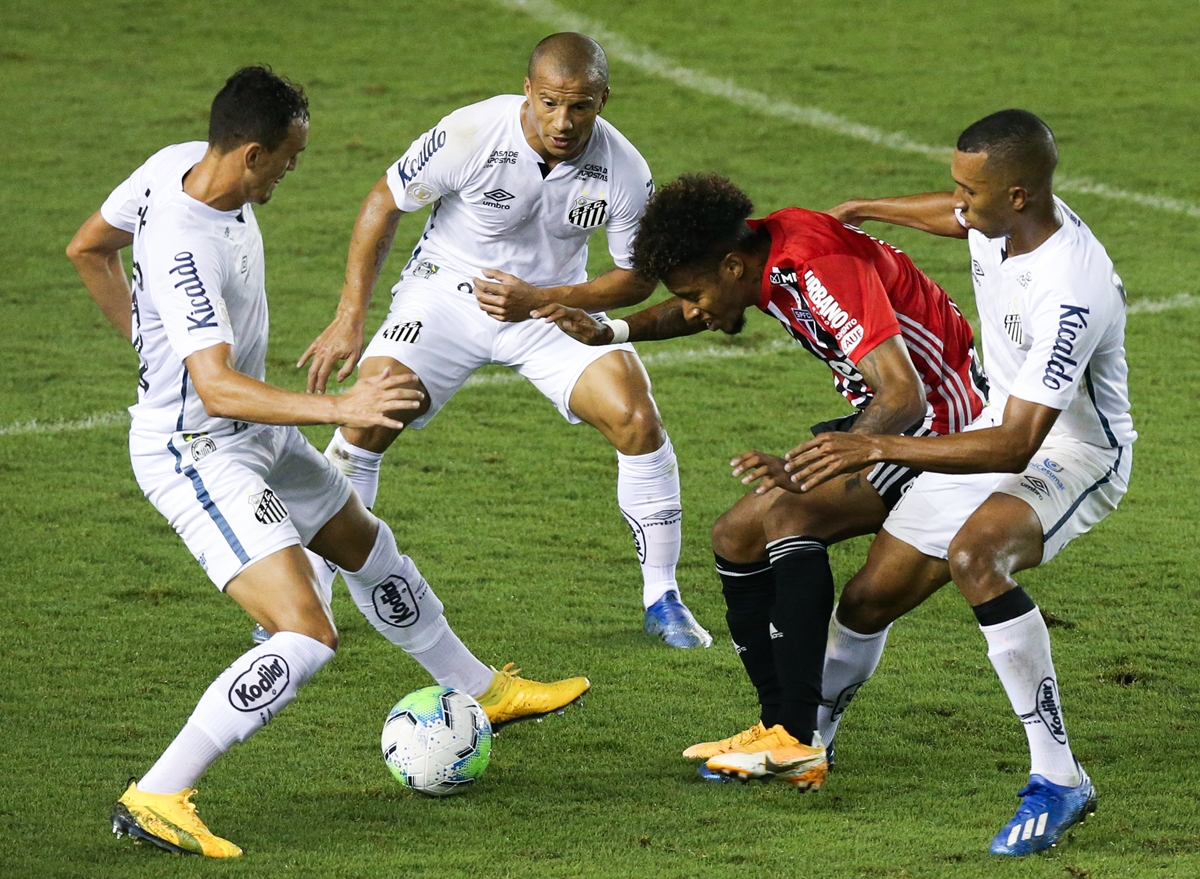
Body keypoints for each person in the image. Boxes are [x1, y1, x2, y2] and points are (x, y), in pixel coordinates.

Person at [67, 67, 590, 858]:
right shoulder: (184, 245)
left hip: (252, 432)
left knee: (363, 543)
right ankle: (159, 791)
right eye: (287, 159)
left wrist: (151, 342)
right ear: (249, 153)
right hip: (199, 453)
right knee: (305, 634)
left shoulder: (177, 164)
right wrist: (340, 409)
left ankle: (482, 688)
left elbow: (88, 246)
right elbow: (213, 385)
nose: (291, 171)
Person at [538, 172, 988, 791]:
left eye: (696, 291)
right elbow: (702, 309)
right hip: (886, 415)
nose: (694, 308)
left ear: (730, 266)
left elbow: (904, 395)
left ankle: (798, 740)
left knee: (789, 516)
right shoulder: (766, 251)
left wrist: (816, 461)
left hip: (934, 422)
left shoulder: (815, 267)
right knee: (736, 536)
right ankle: (776, 726)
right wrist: (612, 330)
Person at [784, 109, 1133, 854]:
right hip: (989, 422)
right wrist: (864, 210)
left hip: (1071, 452)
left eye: (968, 191)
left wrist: (878, 445)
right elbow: (955, 218)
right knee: (869, 597)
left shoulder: (1070, 287)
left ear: (1017, 196)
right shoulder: (1003, 217)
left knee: (979, 555)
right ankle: (808, 738)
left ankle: (1060, 776)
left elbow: (1018, 443)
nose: (956, 203)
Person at [292, 33, 711, 649]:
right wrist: (350, 313)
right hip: (446, 293)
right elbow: (384, 201)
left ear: (603, 100)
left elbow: (635, 278)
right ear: (528, 92)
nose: (563, 122)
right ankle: (309, 596)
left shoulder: (624, 169)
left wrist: (546, 300)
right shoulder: (472, 132)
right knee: (368, 417)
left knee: (635, 416)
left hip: (549, 306)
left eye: (581, 107)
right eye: (549, 103)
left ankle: (663, 597)